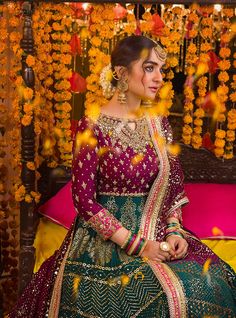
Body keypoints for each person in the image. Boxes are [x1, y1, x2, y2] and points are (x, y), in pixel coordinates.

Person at [9, 35, 236, 318]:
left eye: (161, 70)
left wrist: (175, 231)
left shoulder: (159, 125)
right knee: (135, 298)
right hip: (106, 242)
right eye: (150, 68)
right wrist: (140, 246)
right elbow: (84, 201)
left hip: (158, 234)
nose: (160, 78)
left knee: (211, 282)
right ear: (121, 73)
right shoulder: (91, 127)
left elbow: (173, 189)